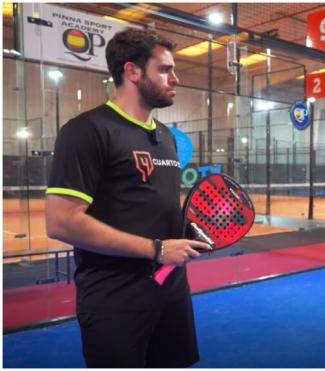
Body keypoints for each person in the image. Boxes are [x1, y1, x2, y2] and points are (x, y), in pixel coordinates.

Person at [45, 28, 211, 367]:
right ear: (132, 72)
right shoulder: (86, 131)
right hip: (114, 298)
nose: (175, 78)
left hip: (172, 291)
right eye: (164, 69)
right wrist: (157, 249)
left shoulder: (166, 137)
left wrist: (187, 233)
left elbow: (153, 206)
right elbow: (61, 221)